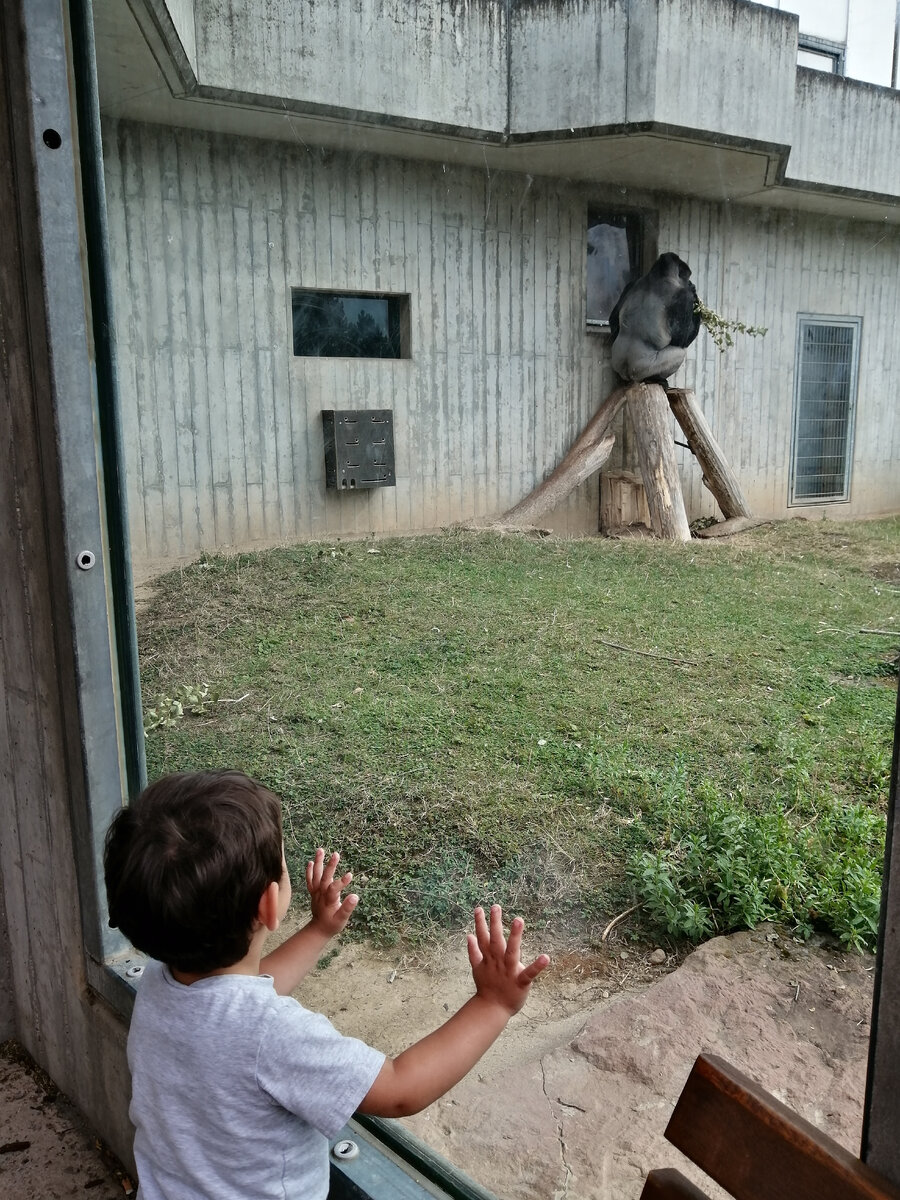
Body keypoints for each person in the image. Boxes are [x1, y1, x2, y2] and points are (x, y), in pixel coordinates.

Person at [104, 770, 550, 1200]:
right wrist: (493, 1003)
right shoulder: (274, 1036)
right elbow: (399, 1091)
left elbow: (237, 1001)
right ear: (270, 903)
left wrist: (317, 931)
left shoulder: (160, 988)